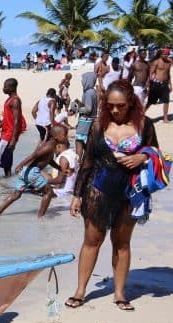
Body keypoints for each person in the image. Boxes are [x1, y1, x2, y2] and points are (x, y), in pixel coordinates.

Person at [66, 81, 159, 311]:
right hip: (98, 189)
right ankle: (80, 290)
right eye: (111, 106)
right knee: (92, 241)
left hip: (130, 191)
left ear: (131, 103)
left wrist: (142, 158)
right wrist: (77, 195)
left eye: (120, 105)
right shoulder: (98, 126)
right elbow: (87, 162)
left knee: (122, 243)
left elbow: (156, 151)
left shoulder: (144, 125)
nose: (115, 110)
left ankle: (119, 293)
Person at [0, 125, 69, 218]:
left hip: (25, 171)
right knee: (49, 192)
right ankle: (40, 218)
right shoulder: (49, 146)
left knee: (16, 195)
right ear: (56, 136)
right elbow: (34, 155)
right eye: (65, 135)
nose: (67, 137)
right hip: (32, 172)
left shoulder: (50, 145)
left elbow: (49, 160)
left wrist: (59, 168)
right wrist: (21, 164)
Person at [0, 78, 25, 177]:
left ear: (12, 88)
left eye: (5, 86)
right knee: (7, 160)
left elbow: (17, 120)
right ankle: (7, 185)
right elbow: (7, 119)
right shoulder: (9, 100)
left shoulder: (15, 101)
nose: (3, 88)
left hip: (8, 135)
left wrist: (13, 139)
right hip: (7, 133)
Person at [147, 50, 173, 123]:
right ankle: (141, 116)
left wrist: (170, 85)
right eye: (164, 54)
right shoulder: (157, 62)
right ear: (161, 54)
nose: (165, 56)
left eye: (167, 54)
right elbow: (151, 73)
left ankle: (165, 118)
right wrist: (148, 84)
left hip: (165, 84)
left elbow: (168, 74)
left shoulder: (169, 62)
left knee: (166, 101)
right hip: (156, 84)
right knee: (150, 102)